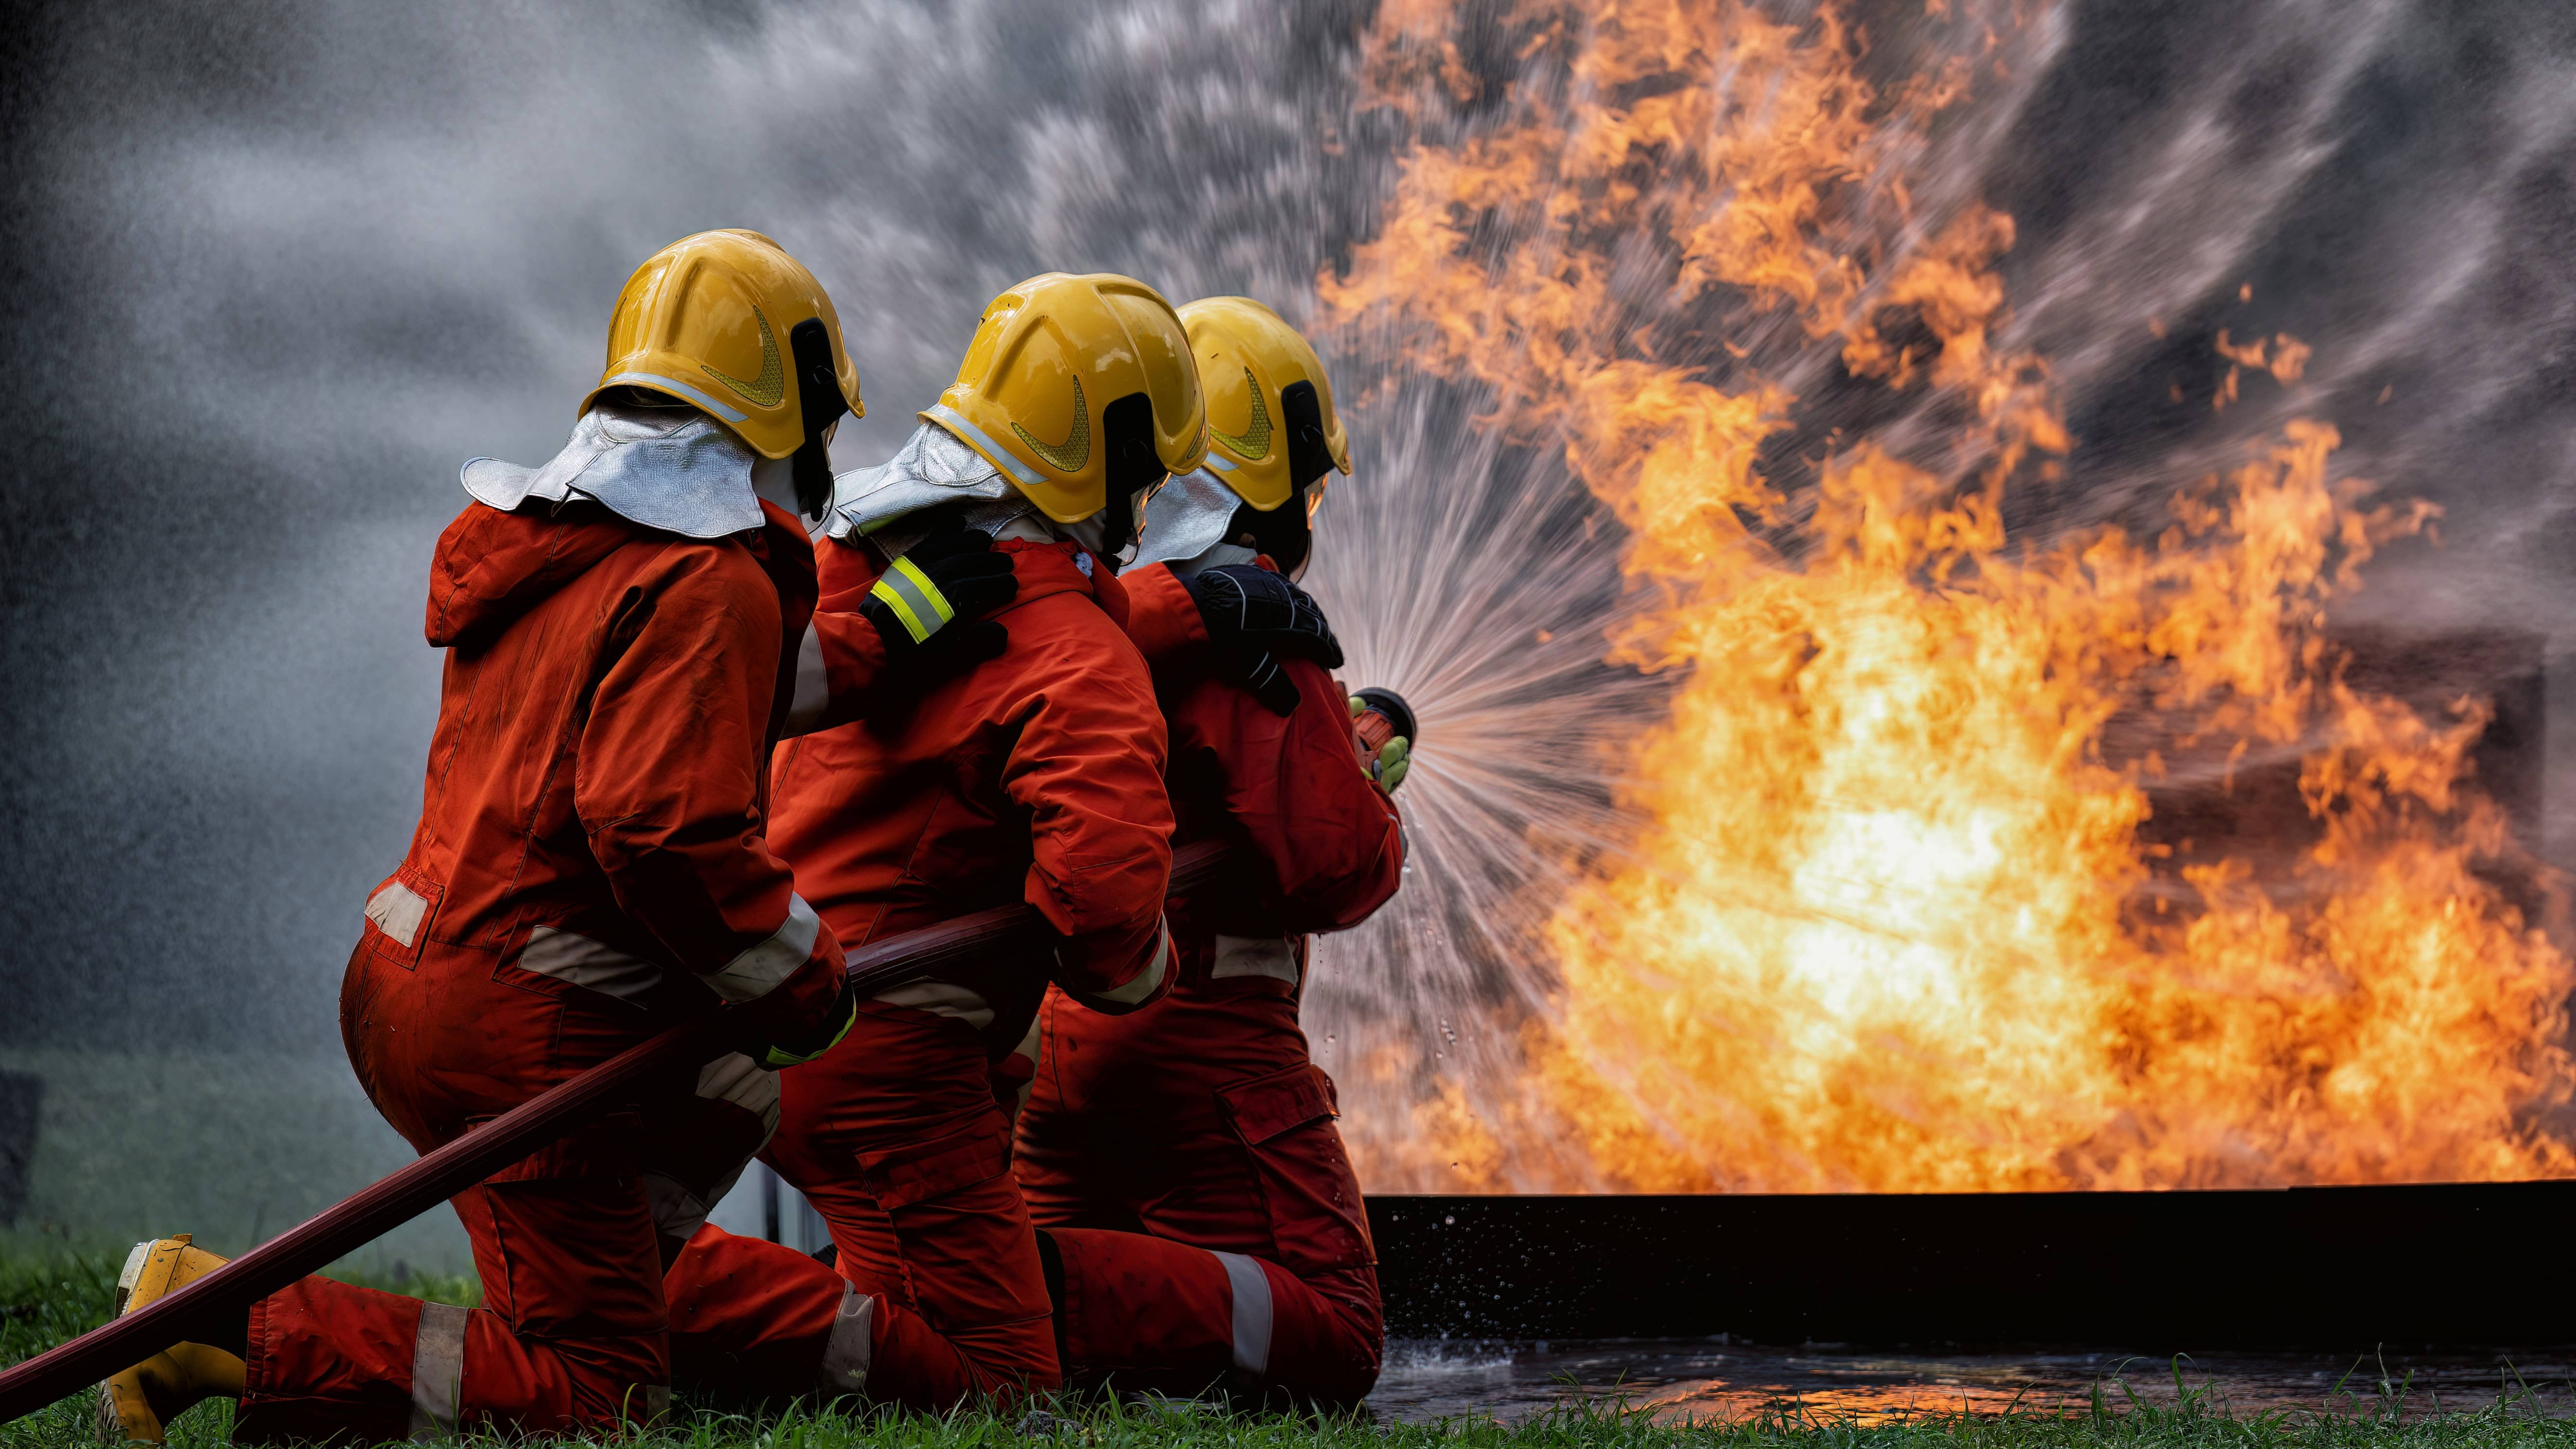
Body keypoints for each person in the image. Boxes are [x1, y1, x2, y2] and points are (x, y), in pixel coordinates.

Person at [97, 230, 1014, 1444]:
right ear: (780, 407)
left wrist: (893, 627)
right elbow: (659, 821)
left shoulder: (566, 544)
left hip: (416, 975)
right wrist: (806, 975)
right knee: (595, 1400)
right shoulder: (708, 579)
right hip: (526, 1025)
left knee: (732, 1071)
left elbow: (706, 689)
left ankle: (603, 1295)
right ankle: (215, 1327)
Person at [661, 272, 1203, 1412]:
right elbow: (1107, 930)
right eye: (1145, 473)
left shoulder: (855, 569)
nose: (1147, 501)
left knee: (896, 1323)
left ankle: (612, 1278)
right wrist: (1154, 959)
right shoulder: (1080, 664)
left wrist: (1193, 610)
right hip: (895, 1068)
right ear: (1104, 458)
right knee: (1002, 1388)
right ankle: (622, 1282)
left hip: (771, 1012)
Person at [1012, 296, 1408, 1409]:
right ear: (1273, 479)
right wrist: (1372, 796)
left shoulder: (1088, 608)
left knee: (1085, 1351)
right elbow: (1333, 866)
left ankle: (990, 1285)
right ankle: (1007, 1283)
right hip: (1203, 1049)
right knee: (1330, 1328)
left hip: (1060, 1042)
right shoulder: (1252, 627)